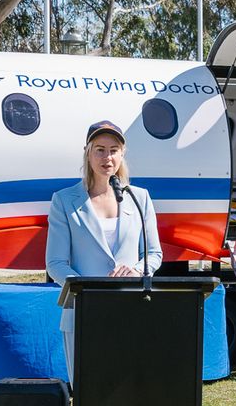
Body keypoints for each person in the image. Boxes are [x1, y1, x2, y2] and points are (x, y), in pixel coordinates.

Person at [45, 120, 163, 381]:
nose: (106, 157)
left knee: (128, 392)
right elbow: (55, 263)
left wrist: (136, 270)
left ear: (122, 154)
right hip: (83, 313)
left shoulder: (139, 197)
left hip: (131, 310)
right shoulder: (64, 200)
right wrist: (89, 289)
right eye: (99, 149)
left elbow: (154, 253)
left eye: (113, 149)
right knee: (88, 393)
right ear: (87, 153)